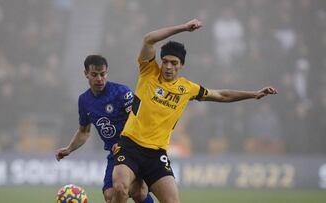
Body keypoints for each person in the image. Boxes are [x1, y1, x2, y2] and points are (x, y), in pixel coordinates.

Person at [111, 19, 278, 203]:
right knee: (120, 188)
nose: (168, 67)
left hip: (156, 154)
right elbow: (149, 40)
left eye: (173, 63)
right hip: (130, 145)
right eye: (165, 61)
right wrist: (183, 27)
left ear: (181, 65)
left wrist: (254, 94)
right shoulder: (148, 71)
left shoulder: (188, 88)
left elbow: (221, 95)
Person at [55, 55, 154, 203]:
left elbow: (140, 121)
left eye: (103, 74)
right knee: (110, 195)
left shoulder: (121, 92)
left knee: (137, 192)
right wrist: (69, 149)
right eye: (94, 75)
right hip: (115, 154)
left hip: (136, 150)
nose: (100, 79)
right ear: (86, 74)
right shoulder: (84, 101)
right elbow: (84, 131)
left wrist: (125, 142)